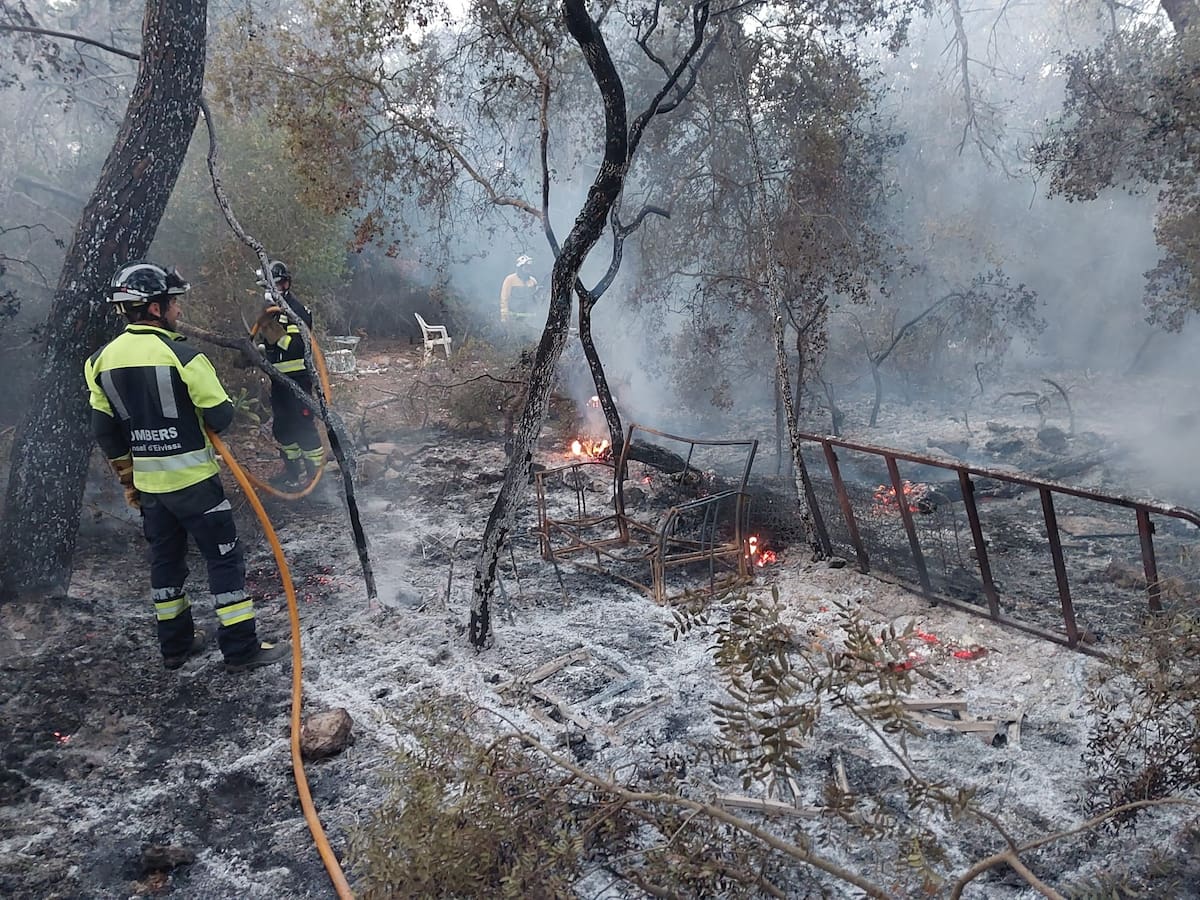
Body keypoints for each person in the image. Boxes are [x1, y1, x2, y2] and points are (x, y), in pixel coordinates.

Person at [85, 261, 289, 672]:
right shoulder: (184, 355)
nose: (179, 311)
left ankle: (175, 646)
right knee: (224, 559)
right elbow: (221, 416)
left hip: (151, 490)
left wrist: (128, 478)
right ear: (155, 309)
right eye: (173, 303)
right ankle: (240, 648)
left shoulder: (99, 362)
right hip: (196, 484)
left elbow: (105, 431)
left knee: (166, 562)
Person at [254, 259, 324, 487]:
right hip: (279, 383)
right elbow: (270, 346)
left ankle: (316, 478)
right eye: (266, 288)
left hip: (298, 381)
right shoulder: (270, 313)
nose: (269, 292)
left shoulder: (298, 311)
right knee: (282, 427)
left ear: (285, 284)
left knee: (303, 426)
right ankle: (293, 472)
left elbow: (296, 346)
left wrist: (270, 330)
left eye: (273, 286)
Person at [499, 254, 540, 339]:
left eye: (529, 268)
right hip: (514, 319)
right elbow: (504, 299)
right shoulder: (510, 280)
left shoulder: (533, 281)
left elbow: (536, 301)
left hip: (530, 320)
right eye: (526, 268)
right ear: (519, 268)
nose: (528, 270)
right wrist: (504, 317)